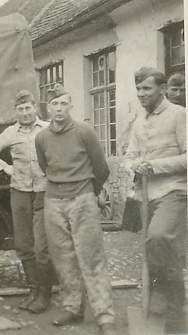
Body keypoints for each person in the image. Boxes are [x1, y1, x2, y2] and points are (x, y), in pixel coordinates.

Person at [34, 84, 116, 335]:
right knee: (63, 257)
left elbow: (101, 168)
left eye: (63, 103)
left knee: (91, 257)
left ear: (71, 106)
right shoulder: (41, 137)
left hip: (82, 199)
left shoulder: (85, 132)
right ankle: (72, 307)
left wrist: (89, 191)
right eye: (54, 104)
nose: (59, 109)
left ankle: (105, 316)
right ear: (48, 108)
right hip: (54, 201)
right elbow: (45, 166)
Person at [0, 89, 54, 314]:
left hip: (43, 191)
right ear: (16, 111)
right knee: (22, 243)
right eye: (20, 109)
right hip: (19, 192)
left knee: (42, 246)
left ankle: (45, 293)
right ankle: (33, 289)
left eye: (28, 108)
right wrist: (4, 167)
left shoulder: (48, 129)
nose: (24, 113)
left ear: (35, 108)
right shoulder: (11, 132)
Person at [125, 67, 187, 334]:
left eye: (146, 88)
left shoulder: (179, 115)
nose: (141, 94)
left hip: (174, 190)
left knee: (159, 237)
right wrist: (134, 166)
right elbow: (129, 157)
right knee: (153, 246)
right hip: (146, 196)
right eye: (138, 89)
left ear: (162, 89)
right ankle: (161, 295)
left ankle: (176, 305)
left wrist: (155, 165)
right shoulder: (139, 123)